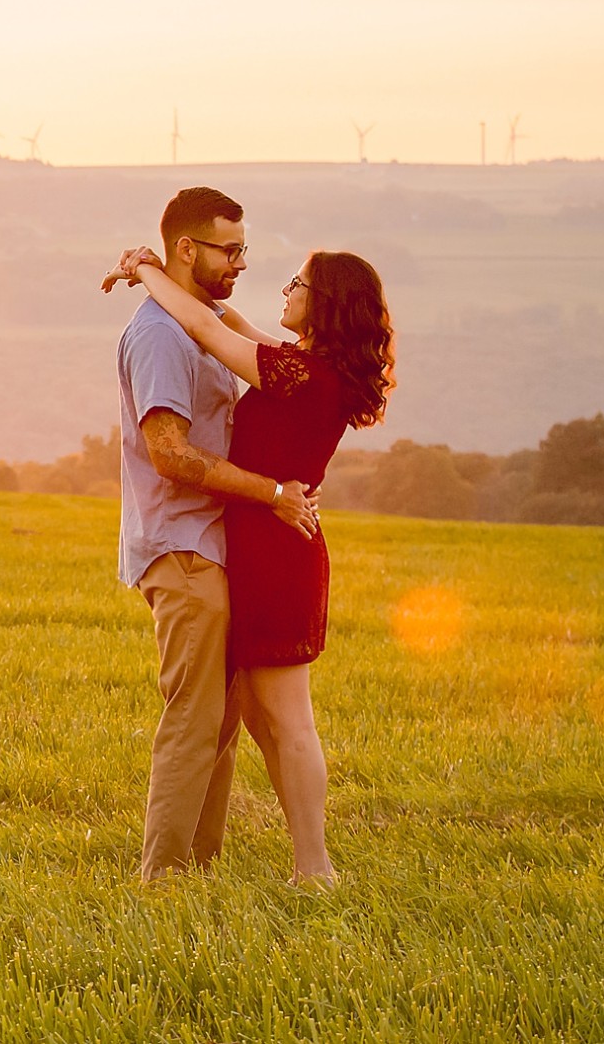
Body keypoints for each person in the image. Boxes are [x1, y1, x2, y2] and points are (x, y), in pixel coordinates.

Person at [106, 235, 395, 885]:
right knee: (265, 716)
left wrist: (145, 270)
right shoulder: (308, 367)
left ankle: (315, 867)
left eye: (297, 284)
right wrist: (161, 275)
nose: (285, 291)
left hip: (274, 551)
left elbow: (208, 327)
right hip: (270, 544)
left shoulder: (296, 373)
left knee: (287, 719)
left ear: (325, 304)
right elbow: (229, 321)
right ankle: (305, 860)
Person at [113, 186, 319, 883]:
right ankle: (163, 877)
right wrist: (272, 493)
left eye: (244, 250)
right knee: (193, 718)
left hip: (215, 546)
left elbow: (245, 342)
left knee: (221, 724)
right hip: (181, 548)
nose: (240, 263)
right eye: (229, 250)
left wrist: (144, 268)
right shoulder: (159, 335)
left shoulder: (196, 317)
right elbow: (170, 452)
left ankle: (196, 865)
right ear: (187, 249)